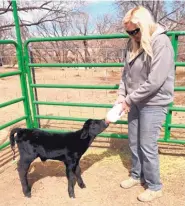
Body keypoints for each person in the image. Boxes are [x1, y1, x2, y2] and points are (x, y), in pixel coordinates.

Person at [115, 6, 175, 202]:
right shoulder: (132, 43)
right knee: (134, 141)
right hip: (135, 100)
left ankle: (155, 186)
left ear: (144, 25)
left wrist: (128, 99)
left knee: (147, 145)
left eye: (134, 31)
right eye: (128, 32)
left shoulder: (161, 43)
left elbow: (155, 81)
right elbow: (125, 74)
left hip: (154, 102)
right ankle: (136, 174)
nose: (132, 35)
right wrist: (121, 96)